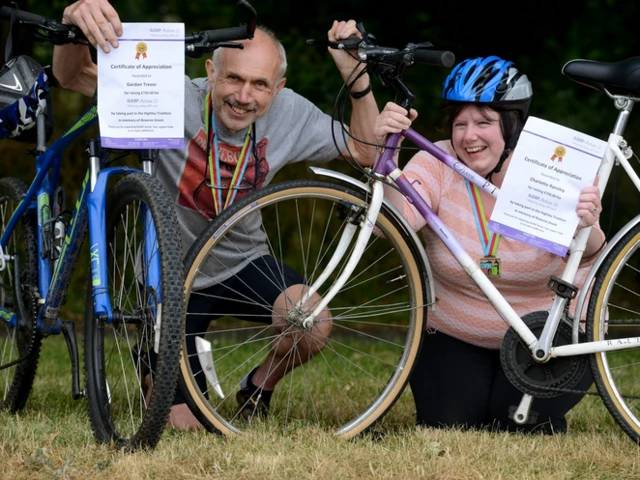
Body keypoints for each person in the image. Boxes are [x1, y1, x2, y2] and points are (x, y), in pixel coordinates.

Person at [53, 0, 379, 430]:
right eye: (233, 78)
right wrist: (73, 16)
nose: (244, 97)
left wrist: (355, 78)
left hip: (241, 259)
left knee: (313, 323)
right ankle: (152, 359)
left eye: (259, 84)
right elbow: (71, 75)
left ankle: (257, 389)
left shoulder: (290, 112)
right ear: (210, 72)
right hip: (170, 272)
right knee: (186, 426)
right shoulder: (170, 94)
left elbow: (366, 150)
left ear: (277, 88)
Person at [373, 55, 605, 434]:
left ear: (512, 126)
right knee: (447, 425)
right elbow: (393, 226)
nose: (469, 136)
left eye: (484, 122)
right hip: (455, 332)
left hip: (548, 334)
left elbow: (594, 252)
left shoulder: (549, 168)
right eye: (460, 123)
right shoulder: (436, 161)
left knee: (518, 427)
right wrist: (387, 157)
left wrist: (585, 224)